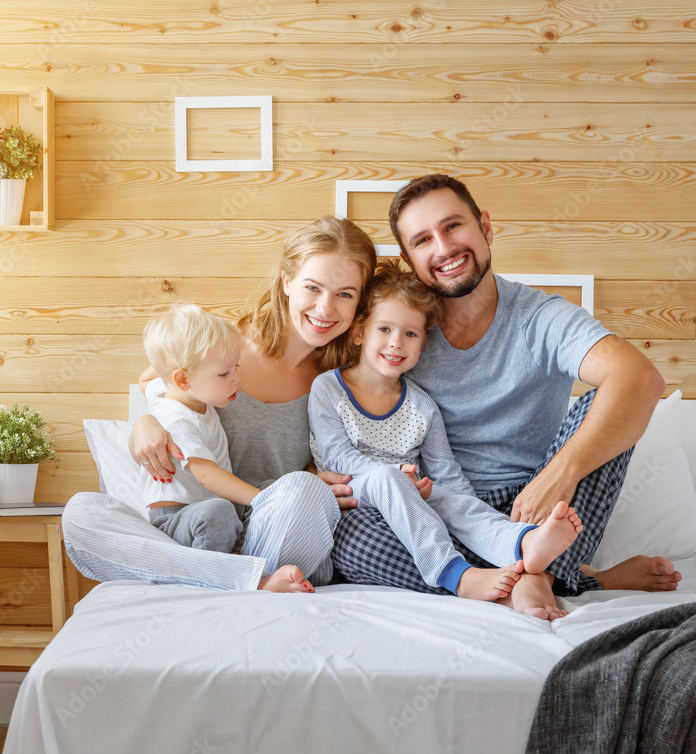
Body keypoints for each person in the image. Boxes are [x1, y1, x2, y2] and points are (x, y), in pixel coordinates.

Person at [333, 173, 679, 619]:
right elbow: (340, 405)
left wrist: (561, 473)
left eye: (453, 226)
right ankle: (558, 578)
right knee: (343, 534)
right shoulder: (399, 334)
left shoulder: (541, 317)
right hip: (439, 511)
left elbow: (641, 378)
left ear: (485, 228)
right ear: (408, 259)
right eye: (423, 240)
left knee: (609, 404)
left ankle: (537, 570)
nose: (443, 248)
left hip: (535, 508)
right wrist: (323, 470)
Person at [61, 216, 374, 593]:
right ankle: (244, 583)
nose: (325, 308)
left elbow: (325, 461)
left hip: (270, 531)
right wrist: (146, 422)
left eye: (345, 294)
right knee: (81, 512)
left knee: (303, 491)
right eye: (313, 287)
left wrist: (314, 479)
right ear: (287, 282)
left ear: (358, 303)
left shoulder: (343, 379)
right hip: (197, 528)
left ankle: (213, 579)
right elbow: (156, 378)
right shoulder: (222, 344)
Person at [310, 263, 583, 603]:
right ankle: (455, 574)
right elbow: (338, 457)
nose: (396, 343)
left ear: (423, 343)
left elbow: (447, 473)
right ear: (359, 332)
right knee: (387, 481)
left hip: (413, 497)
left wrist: (466, 505)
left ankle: (523, 543)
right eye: (384, 329)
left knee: (452, 499)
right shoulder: (328, 388)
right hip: (357, 494)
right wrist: (397, 476)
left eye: (410, 334)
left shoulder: (422, 406)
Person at [139, 302, 261, 559]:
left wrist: (172, 355)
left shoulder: (165, 390)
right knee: (220, 511)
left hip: (206, 514)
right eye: (223, 373)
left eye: (235, 367)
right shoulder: (176, 417)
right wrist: (264, 498)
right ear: (182, 379)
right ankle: (209, 577)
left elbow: (145, 379)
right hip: (177, 520)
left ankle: (242, 557)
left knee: (261, 493)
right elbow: (207, 475)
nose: (236, 379)